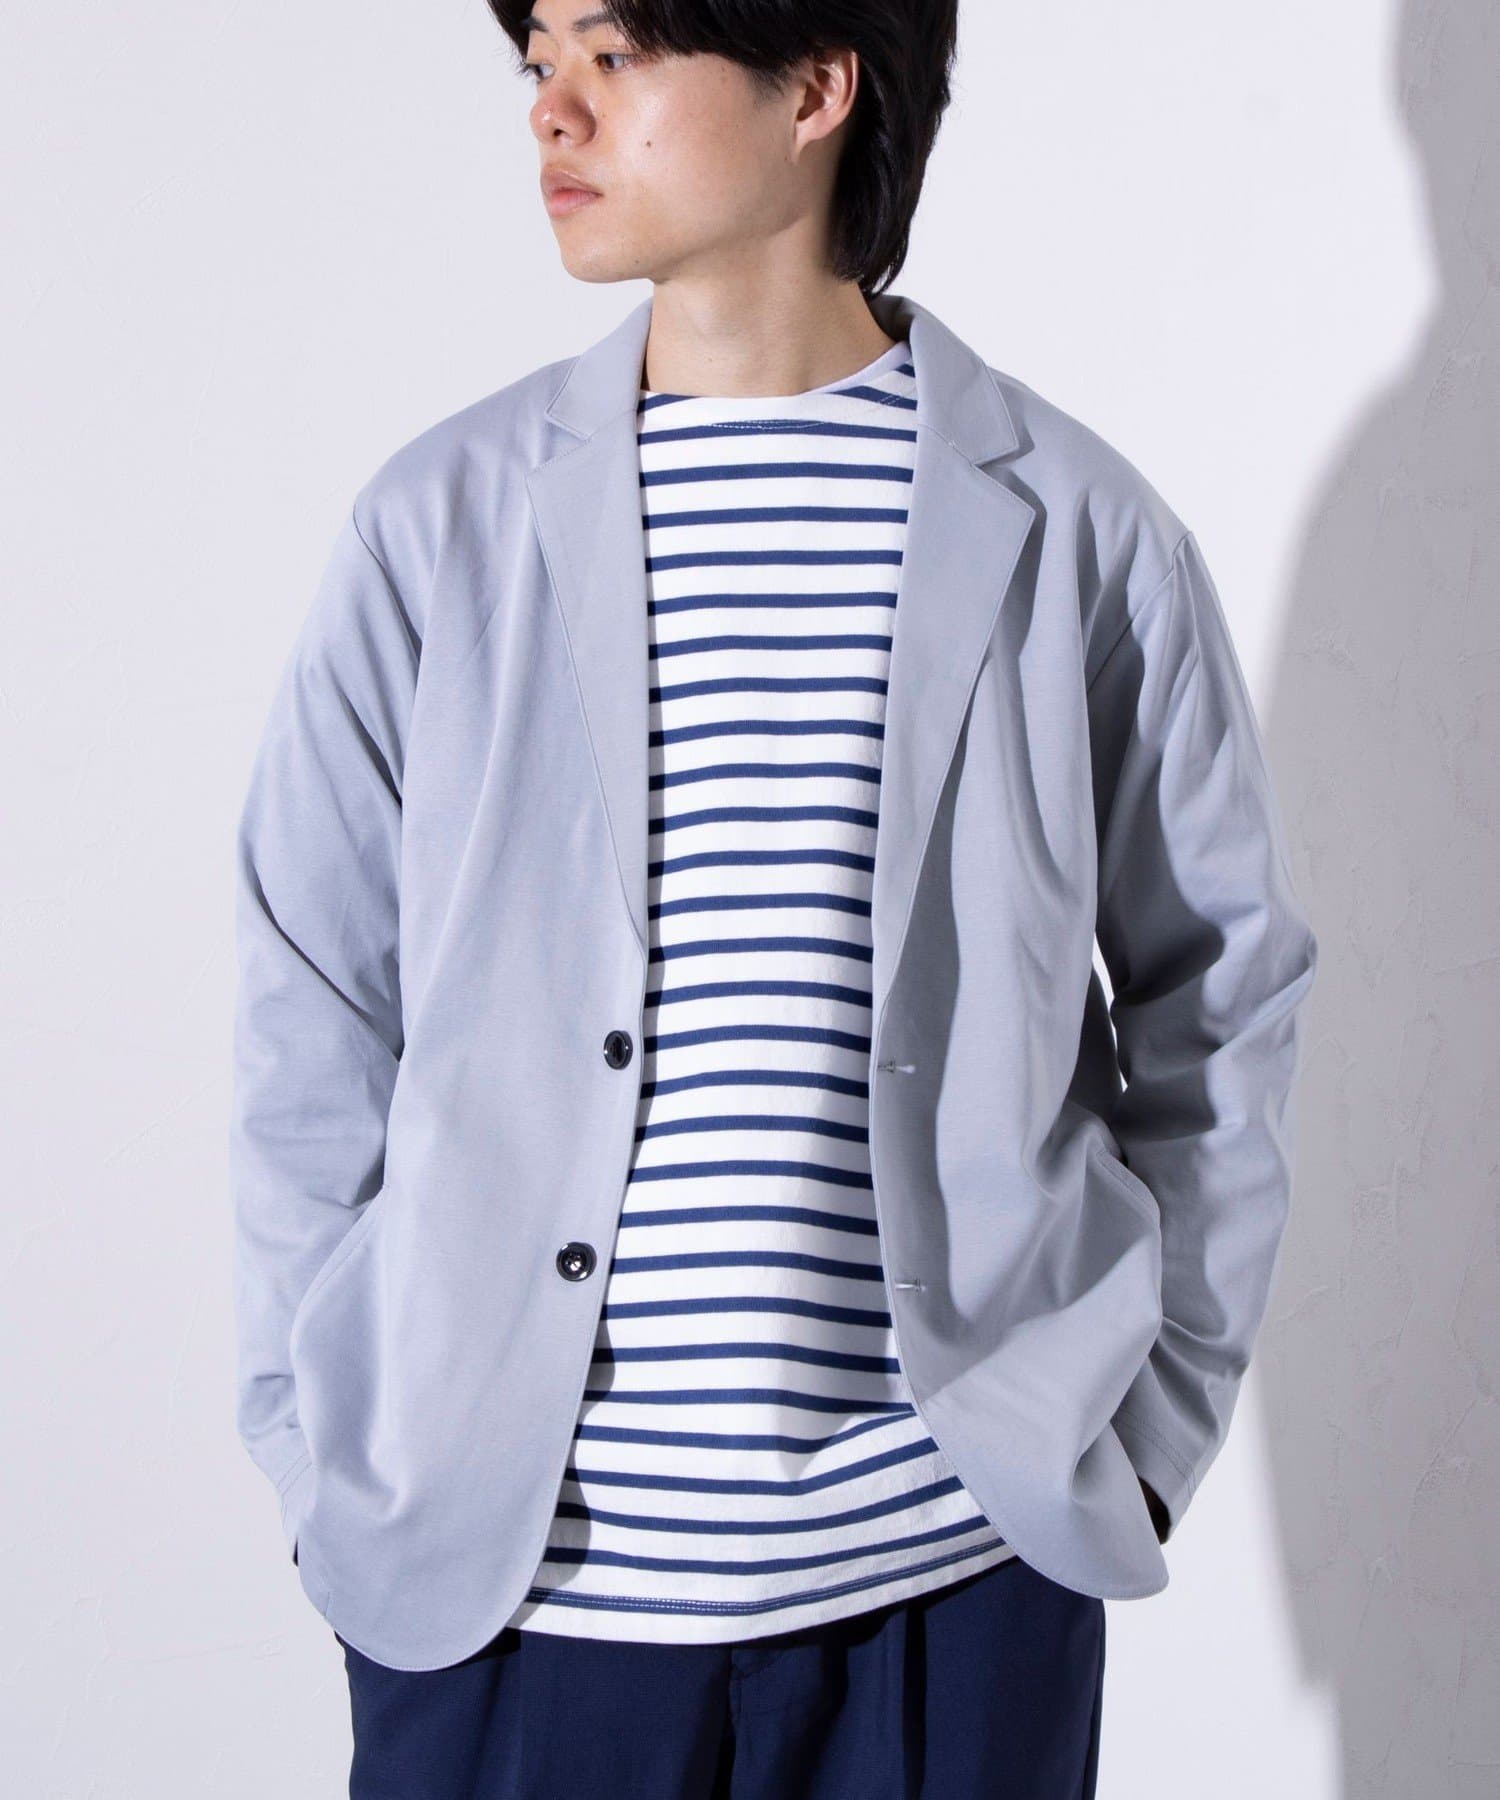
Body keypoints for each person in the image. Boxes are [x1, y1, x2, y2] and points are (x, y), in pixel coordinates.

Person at [228, 1, 1319, 1793]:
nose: (552, 114)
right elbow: (311, 1014)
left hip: (950, 1599)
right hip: (511, 1608)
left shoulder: (1080, 528)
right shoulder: (435, 529)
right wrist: (315, 1455)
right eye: (538, 62)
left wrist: (1141, 1431)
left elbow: (1224, 992)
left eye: (614, 57)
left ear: (816, 88)